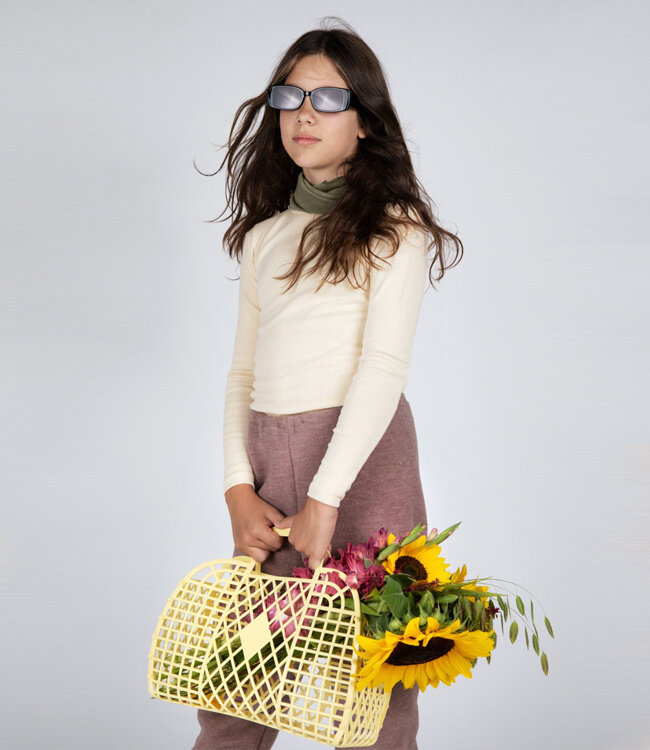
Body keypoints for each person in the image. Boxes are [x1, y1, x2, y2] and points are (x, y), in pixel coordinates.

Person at [191, 17, 463, 750]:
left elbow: (382, 368)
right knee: (236, 680)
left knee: (376, 683)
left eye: (329, 98)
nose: (303, 113)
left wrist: (326, 497)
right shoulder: (264, 238)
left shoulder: (396, 228)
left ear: (366, 121)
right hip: (270, 464)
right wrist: (236, 487)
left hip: (362, 459)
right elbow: (242, 373)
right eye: (290, 96)